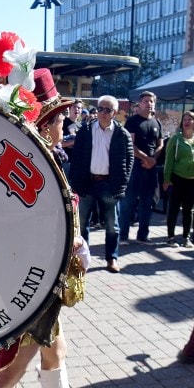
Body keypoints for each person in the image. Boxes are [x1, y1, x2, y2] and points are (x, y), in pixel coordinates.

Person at [0, 68, 90, 388]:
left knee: (55, 353)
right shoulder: (30, 163)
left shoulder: (41, 158)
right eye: (58, 120)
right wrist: (73, 241)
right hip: (29, 281)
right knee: (14, 368)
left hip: (35, 278)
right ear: (42, 124)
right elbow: (24, 225)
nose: (64, 125)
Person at [68, 95, 133, 273]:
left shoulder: (122, 134)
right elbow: (76, 158)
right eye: (100, 109)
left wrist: (122, 183)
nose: (103, 113)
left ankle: (111, 258)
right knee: (81, 224)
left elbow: (129, 160)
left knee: (113, 225)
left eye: (108, 110)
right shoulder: (86, 131)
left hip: (109, 184)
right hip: (87, 182)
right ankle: (82, 259)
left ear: (114, 113)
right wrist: (75, 180)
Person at [119, 91, 164, 245]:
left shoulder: (157, 123)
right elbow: (130, 144)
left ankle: (142, 236)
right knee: (128, 203)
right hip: (135, 168)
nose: (149, 103)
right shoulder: (132, 121)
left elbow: (160, 144)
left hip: (151, 169)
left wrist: (153, 160)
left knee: (147, 203)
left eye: (151, 101)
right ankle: (123, 236)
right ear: (140, 103)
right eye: (146, 101)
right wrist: (146, 158)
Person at [162, 111, 194, 248]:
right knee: (174, 208)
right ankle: (171, 237)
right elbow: (168, 161)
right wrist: (166, 179)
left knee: (189, 209)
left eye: (190, 120)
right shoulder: (176, 139)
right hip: (177, 178)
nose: (186, 122)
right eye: (185, 119)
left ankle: (186, 238)